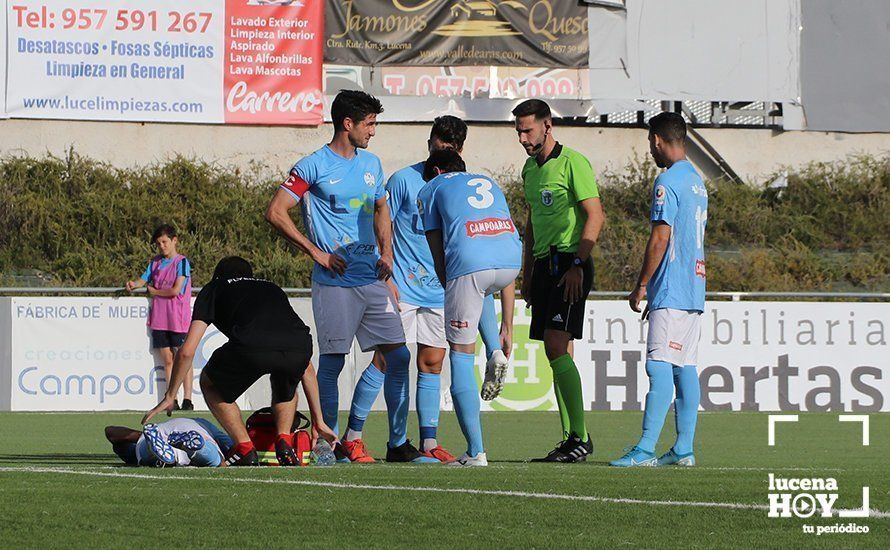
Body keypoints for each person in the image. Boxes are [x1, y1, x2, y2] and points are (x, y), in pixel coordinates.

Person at [265, 90, 419, 463]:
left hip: (373, 279)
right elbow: (276, 211)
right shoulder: (313, 166)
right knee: (333, 361)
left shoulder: (372, 164)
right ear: (347, 124)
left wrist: (387, 253)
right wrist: (317, 253)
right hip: (334, 284)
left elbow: (381, 208)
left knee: (398, 357)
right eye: (370, 123)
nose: (374, 131)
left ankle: (379, 441)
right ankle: (327, 443)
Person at [363, 116, 508, 463]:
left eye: (445, 150)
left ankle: (428, 442)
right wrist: (386, 275)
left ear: (458, 150)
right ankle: (358, 437)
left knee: (432, 363)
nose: (435, 156)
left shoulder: (460, 185)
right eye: (433, 147)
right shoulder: (404, 180)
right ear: (428, 143)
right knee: (386, 360)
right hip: (404, 287)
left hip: (444, 287)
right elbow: (381, 225)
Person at [142, 256, 337, 466]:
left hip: (252, 344)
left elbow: (187, 351)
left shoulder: (214, 288)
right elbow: (306, 367)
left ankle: (244, 447)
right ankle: (284, 439)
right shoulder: (272, 287)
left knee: (210, 382)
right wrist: (319, 420)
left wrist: (171, 395)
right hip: (300, 344)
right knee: (286, 377)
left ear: (217, 275)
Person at [610, 112, 706, 468]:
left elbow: (661, 236)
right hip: (695, 287)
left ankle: (646, 448)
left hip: (672, 288)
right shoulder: (697, 181)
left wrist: (643, 285)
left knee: (659, 365)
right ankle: (683, 449)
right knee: (685, 366)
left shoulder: (667, 181)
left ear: (656, 141)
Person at [512, 99, 605, 462]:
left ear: (547, 126)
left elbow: (595, 216)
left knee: (555, 344)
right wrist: (528, 272)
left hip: (571, 264)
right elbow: (533, 223)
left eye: (528, 130)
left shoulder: (573, 162)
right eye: (518, 131)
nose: (522, 138)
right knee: (558, 352)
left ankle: (580, 437)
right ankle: (571, 439)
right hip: (544, 267)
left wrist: (578, 263)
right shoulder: (529, 170)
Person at [418, 149, 521, 467]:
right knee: (482, 287)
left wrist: (450, 286)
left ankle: (476, 451)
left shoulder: (430, 188)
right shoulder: (487, 181)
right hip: (510, 263)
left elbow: (437, 250)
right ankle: (494, 349)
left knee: (460, 357)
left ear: (435, 170)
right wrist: (508, 325)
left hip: (469, 263)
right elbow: (500, 239)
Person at [126, 224, 194, 411]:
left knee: (183, 357)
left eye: (164, 242)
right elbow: (143, 279)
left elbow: (175, 290)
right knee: (168, 359)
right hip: (159, 317)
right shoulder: (155, 262)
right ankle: (172, 398)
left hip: (178, 317)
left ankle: (188, 398)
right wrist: (134, 284)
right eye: (158, 243)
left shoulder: (182, 262)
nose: (162, 246)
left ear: (174, 240)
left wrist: (153, 291)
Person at [105, 417, 233, 467]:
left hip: (161, 432)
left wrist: (141, 435)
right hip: (195, 433)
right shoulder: (204, 424)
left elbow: (109, 432)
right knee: (218, 462)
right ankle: (194, 448)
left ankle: (158, 449)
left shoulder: (139, 446)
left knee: (152, 456)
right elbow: (230, 444)